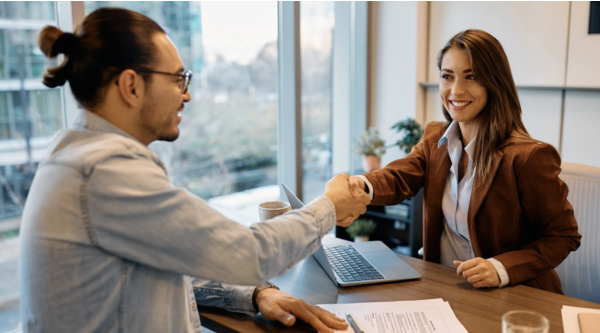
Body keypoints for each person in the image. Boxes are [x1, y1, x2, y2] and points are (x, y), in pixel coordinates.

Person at [19, 8, 370, 332]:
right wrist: (329, 206)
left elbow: (174, 256)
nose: (186, 95)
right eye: (178, 79)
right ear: (131, 86)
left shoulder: (74, 155)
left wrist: (254, 294)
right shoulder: (105, 170)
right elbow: (251, 253)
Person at [349, 29, 581, 294]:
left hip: (516, 297)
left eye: (471, 76)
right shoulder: (436, 140)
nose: (455, 90)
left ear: (494, 81)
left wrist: (499, 267)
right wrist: (357, 186)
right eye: (447, 76)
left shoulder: (528, 157)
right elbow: (398, 177)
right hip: (449, 290)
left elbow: (563, 236)